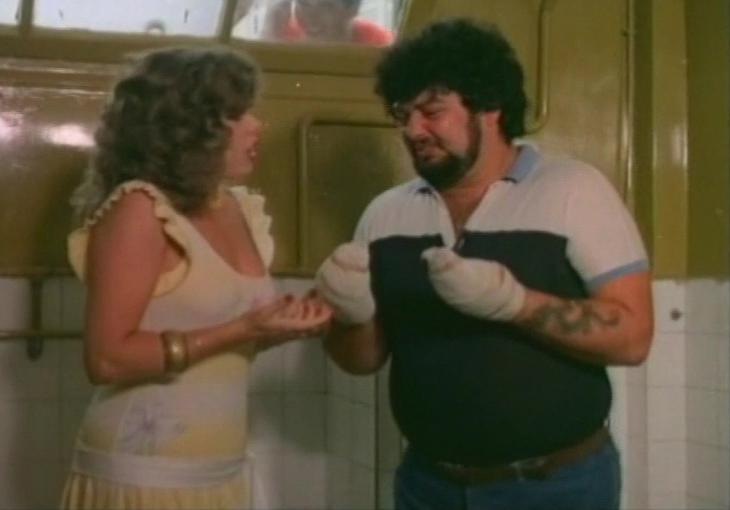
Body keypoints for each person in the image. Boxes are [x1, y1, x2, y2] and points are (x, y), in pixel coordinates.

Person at [316, 18, 653, 510]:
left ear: (490, 107)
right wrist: (352, 316)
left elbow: (634, 338)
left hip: (555, 488)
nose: (412, 130)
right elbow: (361, 361)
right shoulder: (385, 215)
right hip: (428, 486)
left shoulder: (574, 191)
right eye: (403, 114)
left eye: (432, 111)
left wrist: (515, 303)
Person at [60, 46, 331, 510]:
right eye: (235, 115)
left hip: (220, 471)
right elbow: (107, 359)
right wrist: (243, 328)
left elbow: (226, 338)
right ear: (188, 128)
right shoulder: (140, 209)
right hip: (142, 479)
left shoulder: (233, 206)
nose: (257, 125)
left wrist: (280, 326)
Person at [263, 0, 393, 46]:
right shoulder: (283, 35)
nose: (312, 16)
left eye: (326, 6)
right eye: (304, 3)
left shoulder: (378, 42)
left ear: (352, 10)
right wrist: (270, 34)